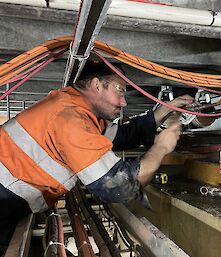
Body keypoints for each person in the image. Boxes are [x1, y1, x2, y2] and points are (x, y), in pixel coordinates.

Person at [0, 60, 194, 250]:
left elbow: (125, 135)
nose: (124, 101)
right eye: (120, 90)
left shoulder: (77, 111)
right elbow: (118, 185)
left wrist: (165, 110)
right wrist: (161, 147)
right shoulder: (71, 119)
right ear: (96, 85)